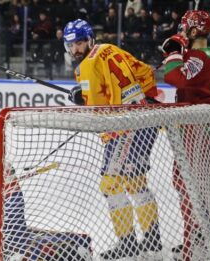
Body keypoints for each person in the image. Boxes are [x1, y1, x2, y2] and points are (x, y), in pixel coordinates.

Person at [64, 19, 162, 259]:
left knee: (111, 185)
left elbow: (96, 109)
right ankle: (151, 240)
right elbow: (146, 73)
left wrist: (82, 99)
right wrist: (144, 100)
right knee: (136, 182)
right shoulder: (110, 49)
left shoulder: (86, 65)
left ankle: (128, 243)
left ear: (89, 40)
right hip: (144, 119)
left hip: (124, 127)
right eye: (72, 45)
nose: (76, 49)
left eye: (80, 43)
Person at [160, 10, 210, 260]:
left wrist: (173, 52)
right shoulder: (205, 54)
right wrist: (176, 51)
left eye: (184, 28)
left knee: (189, 184)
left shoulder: (198, 55)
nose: (181, 31)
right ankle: (206, 232)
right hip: (201, 125)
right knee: (190, 182)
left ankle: (195, 240)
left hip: (199, 127)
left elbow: (177, 78)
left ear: (194, 32)